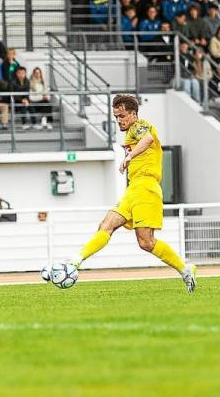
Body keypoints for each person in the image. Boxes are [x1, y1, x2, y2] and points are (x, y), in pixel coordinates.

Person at [65, 94, 197, 292]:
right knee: (105, 225)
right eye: (116, 116)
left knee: (145, 242)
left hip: (146, 188)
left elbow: (148, 139)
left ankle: (185, 269)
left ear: (133, 114)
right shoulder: (130, 132)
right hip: (133, 189)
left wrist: (129, 156)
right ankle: (74, 262)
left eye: (122, 115)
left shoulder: (140, 126)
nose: (119, 120)